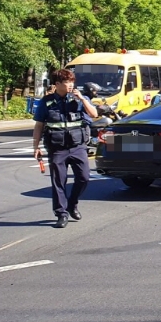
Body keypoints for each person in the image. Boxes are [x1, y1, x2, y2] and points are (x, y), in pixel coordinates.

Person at [32, 68, 99, 228]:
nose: (70, 85)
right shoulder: (46, 102)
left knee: (84, 178)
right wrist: (36, 146)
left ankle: (72, 204)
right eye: (67, 82)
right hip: (57, 148)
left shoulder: (78, 99)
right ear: (57, 84)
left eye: (72, 82)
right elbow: (39, 125)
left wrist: (82, 99)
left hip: (77, 146)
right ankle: (61, 214)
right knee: (58, 182)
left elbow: (94, 114)